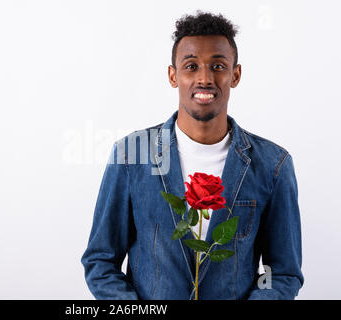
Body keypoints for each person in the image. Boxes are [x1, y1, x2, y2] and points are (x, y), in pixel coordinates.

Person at [81, 11, 304, 300]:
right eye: (191, 66)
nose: (204, 78)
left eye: (218, 66)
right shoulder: (130, 155)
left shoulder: (273, 165)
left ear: (235, 75)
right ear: (173, 76)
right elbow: (100, 262)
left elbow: (283, 273)